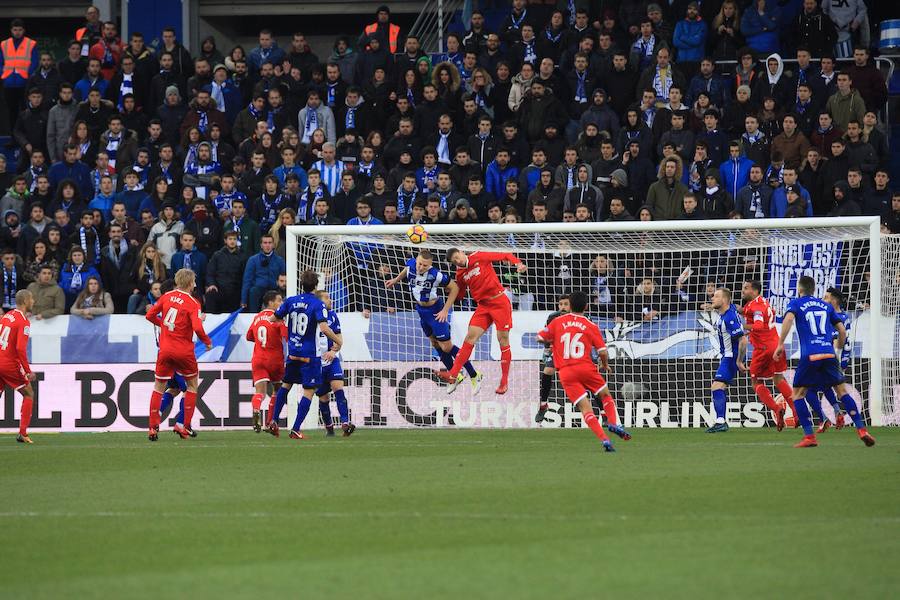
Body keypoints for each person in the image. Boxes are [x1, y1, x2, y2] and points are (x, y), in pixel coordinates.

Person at [773, 275, 875, 447]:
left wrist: (780, 344)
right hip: (829, 354)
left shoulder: (796, 303)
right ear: (814, 290)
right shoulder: (826, 306)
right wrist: (838, 348)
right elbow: (842, 332)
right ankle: (861, 429)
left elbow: (788, 319)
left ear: (800, 289)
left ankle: (809, 437)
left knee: (797, 394)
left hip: (810, 355)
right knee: (842, 392)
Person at [536, 290, 630, 452]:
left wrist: (552, 342)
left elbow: (540, 337)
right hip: (586, 367)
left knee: (585, 409)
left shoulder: (557, 321)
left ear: (570, 305)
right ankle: (612, 423)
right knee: (605, 395)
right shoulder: (590, 324)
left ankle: (605, 440)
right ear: (586, 306)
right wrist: (605, 364)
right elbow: (602, 351)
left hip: (566, 372)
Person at [385, 249, 481, 390]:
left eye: (425, 265)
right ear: (416, 261)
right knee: (435, 344)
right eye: (420, 264)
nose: (421, 267)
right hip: (421, 311)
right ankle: (456, 376)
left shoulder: (435, 274)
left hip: (435, 311)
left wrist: (445, 310)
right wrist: (395, 280)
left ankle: (474, 374)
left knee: (446, 347)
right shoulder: (411, 264)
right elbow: (406, 270)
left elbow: (454, 287)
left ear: (430, 265)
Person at [439, 248, 527, 395]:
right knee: (469, 338)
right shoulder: (460, 274)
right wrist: (451, 288)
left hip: (499, 303)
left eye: (457, 257)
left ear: (461, 252)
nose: (458, 261)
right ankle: (453, 374)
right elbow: (460, 294)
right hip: (483, 307)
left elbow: (504, 254)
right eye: (454, 261)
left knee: (503, 340)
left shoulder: (479, 256)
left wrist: (517, 263)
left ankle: (504, 381)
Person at [266, 270, 342, 439]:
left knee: (285, 385)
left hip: (292, 353)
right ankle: (295, 429)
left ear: (302, 284)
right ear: (315, 286)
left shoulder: (291, 301)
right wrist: (338, 341)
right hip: (309, 355)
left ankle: (274, 421)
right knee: (309, 391)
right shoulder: (317, 304)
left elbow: (273, 318)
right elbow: (323, 328)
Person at [144, 269, 212, 441]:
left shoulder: (166, 296)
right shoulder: (193, 302)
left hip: (165, 350)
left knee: (159, 387)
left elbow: (149, 315)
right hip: (184, 351)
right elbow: (196, 328)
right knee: (192, 386)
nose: (195, 284)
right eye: (194, 282)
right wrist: (207, 341)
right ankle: (183, 425)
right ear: (190, 283)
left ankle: (153, 426)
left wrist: (164, 326)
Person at [738, 280, 795, 430]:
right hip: (776, 345)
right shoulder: (763, 301)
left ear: (754, 291)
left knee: (755, 382)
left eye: (746, 288)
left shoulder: (755, 306)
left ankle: (777, 409)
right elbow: (758, 314)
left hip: (763, 348)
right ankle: (796, 412)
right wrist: (740, 310)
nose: (742, 291)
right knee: (779, 378)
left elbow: (757, 325)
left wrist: (740, 326)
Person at [807, 287, 851, 433]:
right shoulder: (845, 317)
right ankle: (838, 414)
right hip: (839, 359)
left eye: (826, 297)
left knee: (808, 390)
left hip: (829, 360)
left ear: (833, 300)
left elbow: (833, 342)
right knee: (827, 387)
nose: (822, 300)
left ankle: (824, 419)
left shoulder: (832, 318)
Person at [313, 289, 356, 437]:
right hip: (316, 364)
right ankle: (329, 428)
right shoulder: (311, 316)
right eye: (326, 298)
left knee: (338, 388)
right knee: (323, 397)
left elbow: (339, 338)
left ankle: (345, 422)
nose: (330, 301)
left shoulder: (332, 316)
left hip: (332, 361)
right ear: (319, 302)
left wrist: (333, 351)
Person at [246, 290, 287, 433]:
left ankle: (256, 409)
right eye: (279, 300)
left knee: (260, 393)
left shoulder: (257, 317)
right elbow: (286, 336)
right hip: (274, 360)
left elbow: (249, 336)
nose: (281, 303)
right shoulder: (277, 318)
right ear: (271, 303)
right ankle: (270, 422)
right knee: (277, 390)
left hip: (258, 359)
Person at [0, 289, 36, 443]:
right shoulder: (24, 321)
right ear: (25, 301)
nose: (33, 301)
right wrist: (28, 371)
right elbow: (20, 349)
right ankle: (23, 433)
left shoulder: (6, 316)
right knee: (28, 393)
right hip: (9, 363)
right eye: (32, 299)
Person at [706, 288, 743, 433]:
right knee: (718, 387)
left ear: (724, 300)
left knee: (716, 387)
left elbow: (743, 340)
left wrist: (739, 361)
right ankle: (720, 421)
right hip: (727, 356)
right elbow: (736, 307)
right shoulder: (728, 311)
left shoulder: (729, 317)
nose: (712, 298)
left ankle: (720, 421)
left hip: (730, 357)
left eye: (716, 296)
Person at [534, 295, 570, 424]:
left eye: (566, 304)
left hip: (576, 354)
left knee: (587, 380)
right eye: (560, 304)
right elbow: (546, 334)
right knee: (548, 370)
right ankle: (543, 405)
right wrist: (548, 346)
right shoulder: (553, 317)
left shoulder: (580, 317)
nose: (563, 307)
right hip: (559, 352)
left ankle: (604, 413)